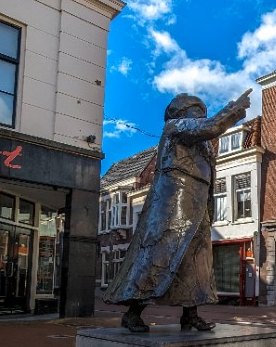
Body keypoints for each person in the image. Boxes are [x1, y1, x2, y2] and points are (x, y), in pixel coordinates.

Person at [104, 90, 251, 333]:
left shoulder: (201, 140)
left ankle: (190, 314)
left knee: (196, 258)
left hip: (198, 199)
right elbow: (212, 126)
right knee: (160, 254)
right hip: (176, 199)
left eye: (202, 112)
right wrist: (234, 109)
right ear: (183, 112)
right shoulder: (175, 127)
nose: (201, 116)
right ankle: (133, 312)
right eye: (197, 111)